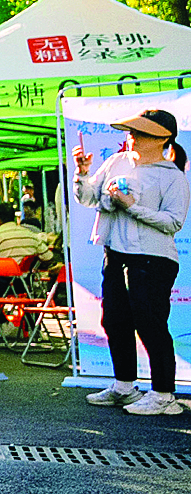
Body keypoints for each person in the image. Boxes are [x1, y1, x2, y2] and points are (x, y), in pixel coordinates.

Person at [75, 110, 190, 416]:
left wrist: (132, 207)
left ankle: (164, 393)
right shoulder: (117, 161)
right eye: (131, 130)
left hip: (153, 259)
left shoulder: (172, 175)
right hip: (115, 253)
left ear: (163, 139)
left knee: (150, 324)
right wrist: (82, 174)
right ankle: (124, 386)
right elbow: (88, 198)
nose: (132, 136)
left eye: (141, 132)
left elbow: (173, 222)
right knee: (114, 321)